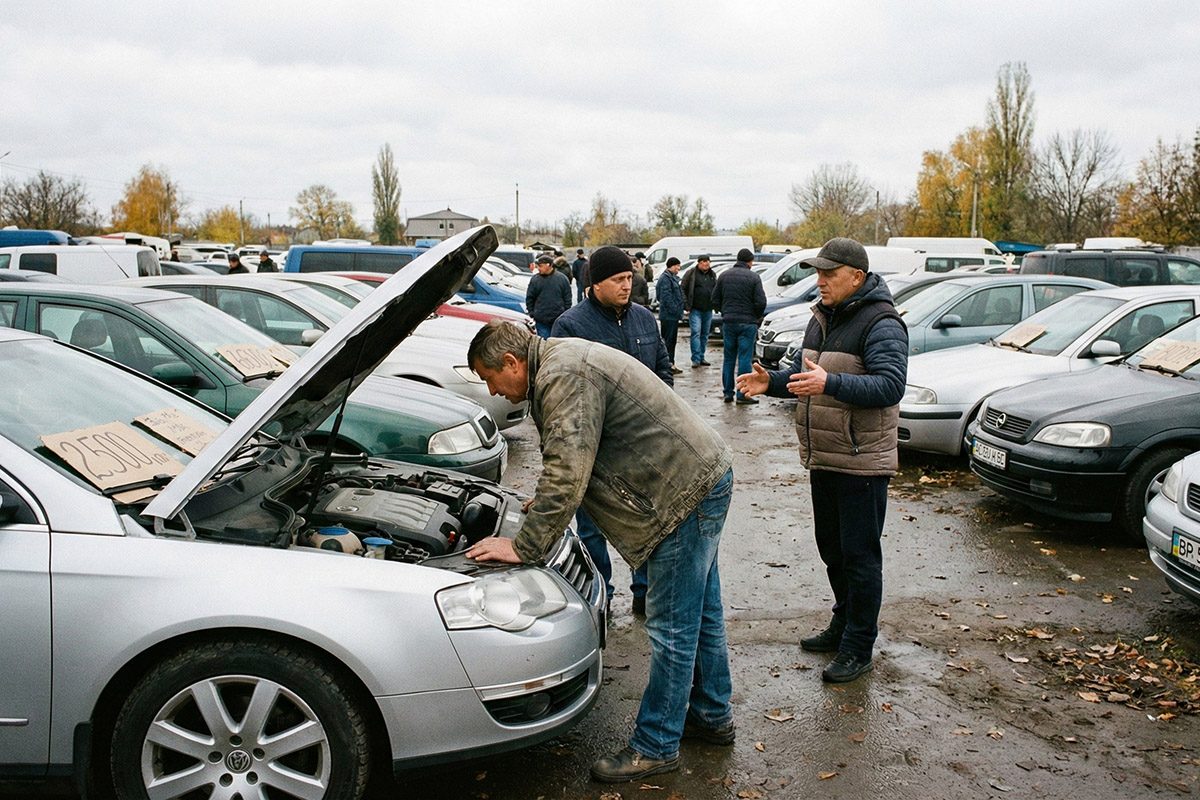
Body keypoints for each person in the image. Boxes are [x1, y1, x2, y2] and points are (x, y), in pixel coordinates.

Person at [465, 320, 735, 783]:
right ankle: (711, 715)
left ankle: (657, 745)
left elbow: (568, 469)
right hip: (699, 478)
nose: (494, 391)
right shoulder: (560, 360)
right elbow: (578, 459)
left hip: (680, 494)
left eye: (490, 379)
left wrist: (525, 544)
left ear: (511, 363)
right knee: (701, 614)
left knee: (671, 627)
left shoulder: (562, 374)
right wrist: (547, 503)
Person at [735, 237, 908, 684]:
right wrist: (770, 382)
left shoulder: (882, 321)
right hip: (825, 456)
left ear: (857, 277)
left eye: (829, 274)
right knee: (832, 550)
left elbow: (890, 387)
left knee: (860, 556)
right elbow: (803, 375)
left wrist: (830, 383)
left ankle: (859, 644)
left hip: (861, 460)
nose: (820, 281)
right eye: (818, 273)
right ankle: (842, 623)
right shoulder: (821, 317)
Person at [552, 246, 672, 616]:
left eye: (629, 278)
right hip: (597, 449)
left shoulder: (643, 318)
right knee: (592, 530)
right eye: (618, 280)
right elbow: (562, 390)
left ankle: (643, 593)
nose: (627, 285)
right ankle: (599, 596)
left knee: (646, 524)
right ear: (595, 283)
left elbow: (663, 370)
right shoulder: (570, 326)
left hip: (643, 445)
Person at [712, 248, 765, 405]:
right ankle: (742, 395)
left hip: (729, 322)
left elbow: (714, 298)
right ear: (749, 261)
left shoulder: (724, 276)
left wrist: (724, 311)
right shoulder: (754, 277)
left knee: (728, 359)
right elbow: (761, 302)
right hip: (748, 323)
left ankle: (728, 393)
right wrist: (755, 315)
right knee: (744, 358)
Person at [525, 254, 572, 338]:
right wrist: (532, 313)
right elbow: (530, 298)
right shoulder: (535, 280)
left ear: (549, 265)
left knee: (556, 344)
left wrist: (565, 313)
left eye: (540, 266)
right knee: (545, 344)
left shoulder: (562, 279)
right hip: (541, 320)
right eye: (538, 266)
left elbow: (567, 298)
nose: (538, 268)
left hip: (558, 319)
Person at [682, 255, 717, 368]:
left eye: (708, 262)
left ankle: (701, 357)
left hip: (708, 309)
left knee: (705, 334)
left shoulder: (712, 274)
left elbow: (716, 289)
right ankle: (696, 359)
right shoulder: (691, 273)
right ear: (698, 263)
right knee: (696, 333)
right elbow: (682, 288)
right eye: (703, 262)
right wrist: (686, 305)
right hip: (695, 309)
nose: (706, 264)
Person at [656, 257, 685, 373]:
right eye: (677, 266)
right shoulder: (666, 279)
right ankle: (667, 365)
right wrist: (675, 309)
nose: (679, 268)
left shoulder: (670, 278)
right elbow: (665, 297)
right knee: (668, 341)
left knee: (671, 341)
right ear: (672, 266)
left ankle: (670, 363)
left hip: (672, 315)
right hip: (669, 316)